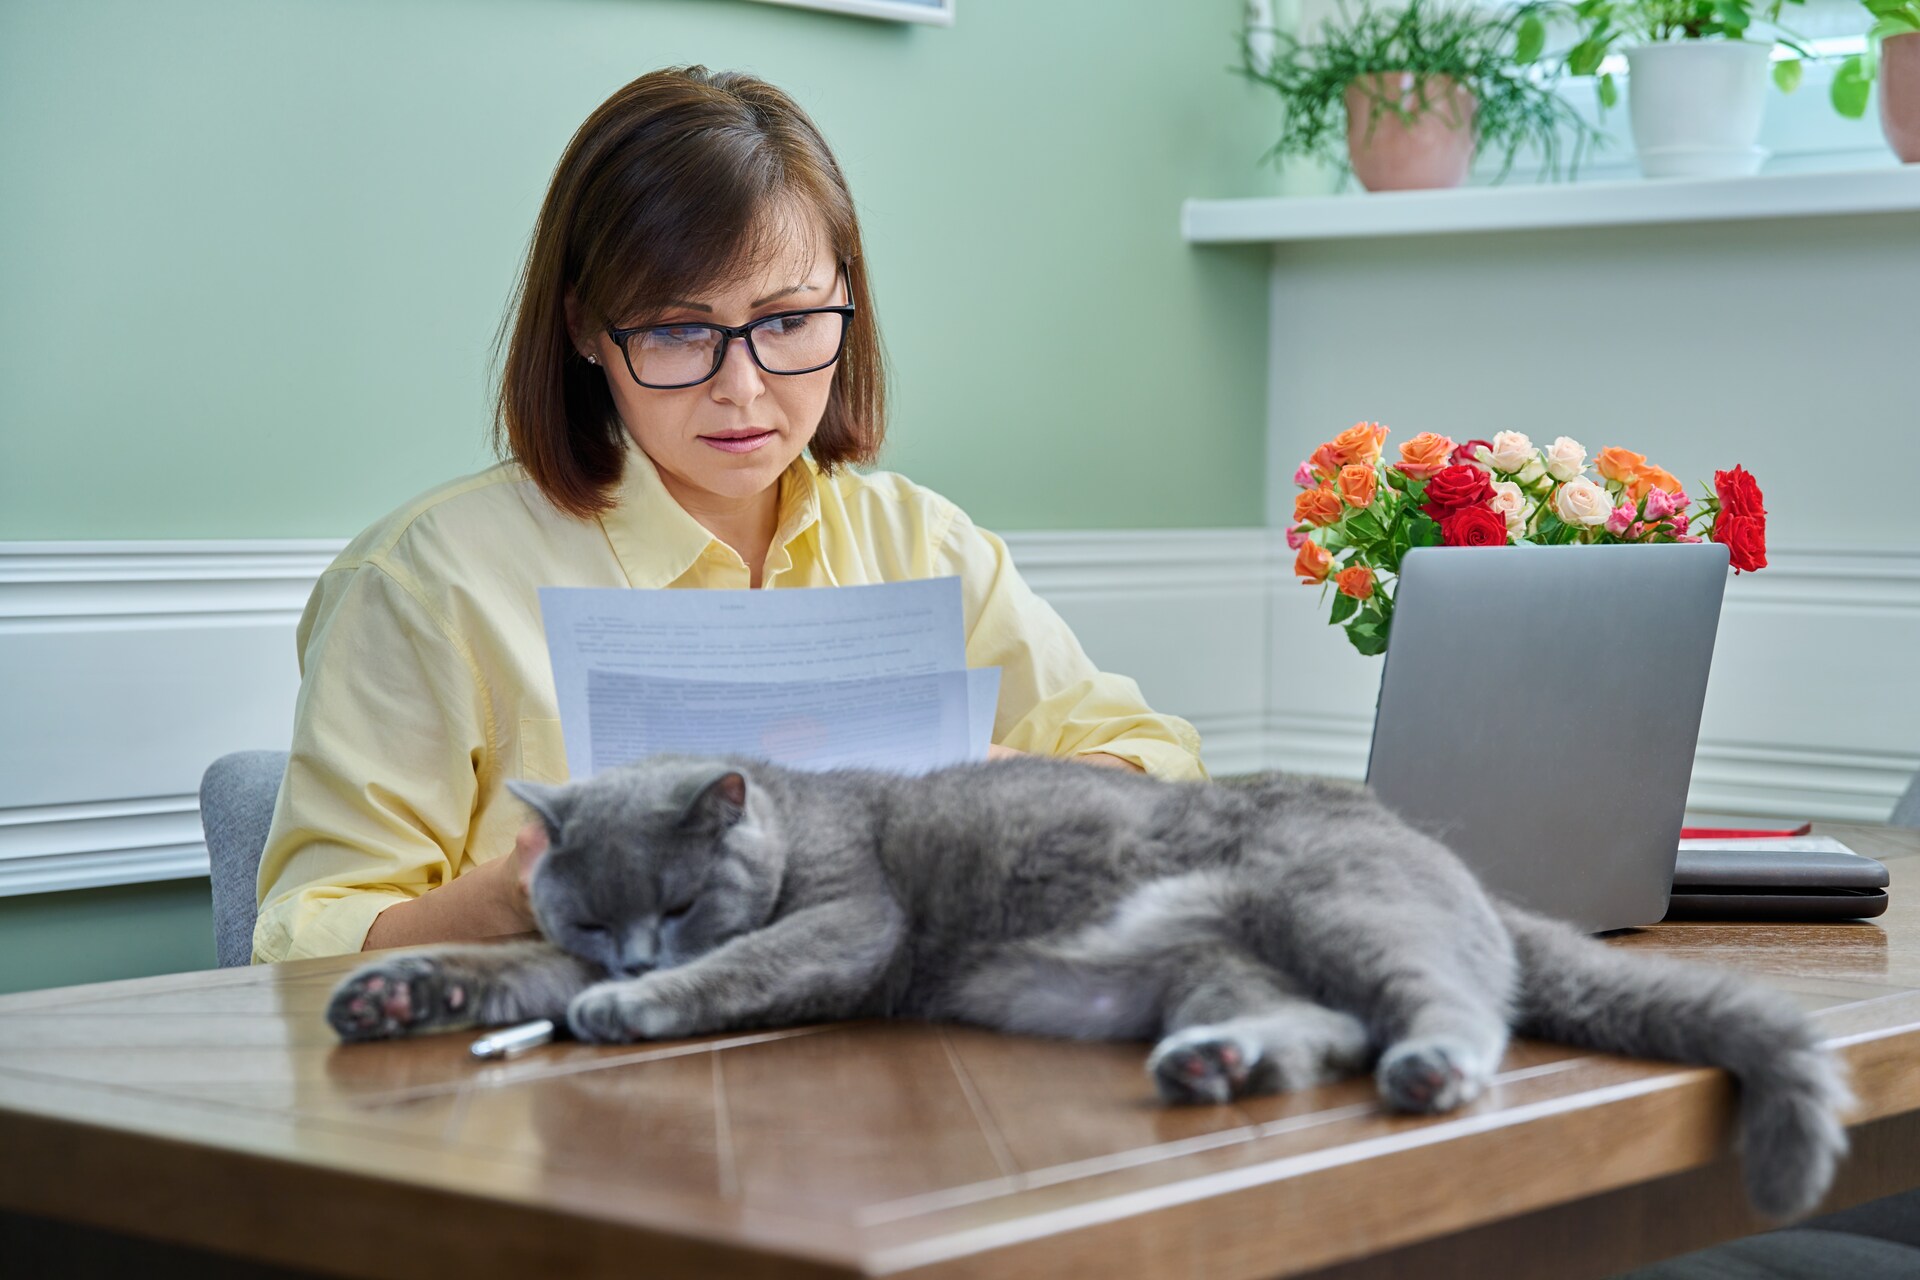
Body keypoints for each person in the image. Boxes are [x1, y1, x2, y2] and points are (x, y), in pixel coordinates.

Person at [251, 65, 1206, 965]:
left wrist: (1014, 788)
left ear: (847, 299)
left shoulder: (922, 543)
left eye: (788, 322)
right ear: (587, 328)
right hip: (558, 1099)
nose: (742, 390)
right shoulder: (428, 580)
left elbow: (1165, 777)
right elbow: (306, 942)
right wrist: (523, 891)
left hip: (881, 1066)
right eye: (677, 331)